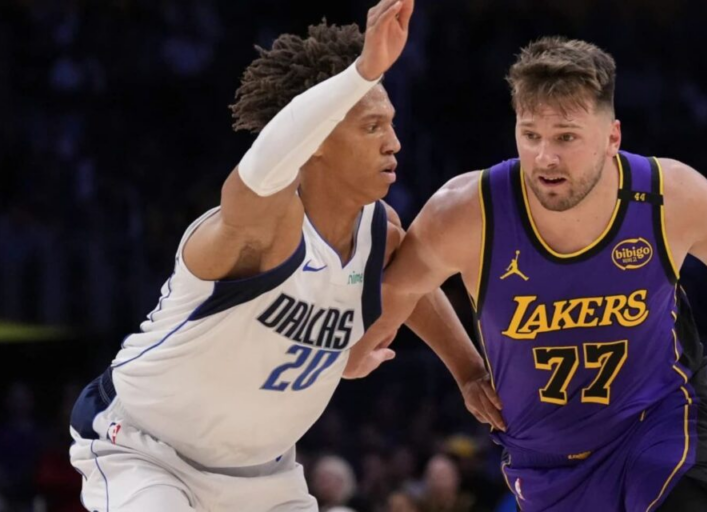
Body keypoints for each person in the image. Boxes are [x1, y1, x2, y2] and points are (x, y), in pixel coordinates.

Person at [354, 36, 707, 511]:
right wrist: (463, 368)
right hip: (544, 457)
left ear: (612, 137)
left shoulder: (665, 195)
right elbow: (401, 287)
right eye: (530, 135)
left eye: (566, 137)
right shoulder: (465, 212)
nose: (545, 157)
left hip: (661, 423)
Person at [67, 1, 476, 510]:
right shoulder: (261, 226)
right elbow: (261, 168)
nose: (394, 142)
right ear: (317, 139)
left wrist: (470, 373)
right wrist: (361, 72)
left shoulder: (381, 233)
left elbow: (413, 281)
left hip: (265, 476)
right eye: (372, 126)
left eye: (391, 124)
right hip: (146, 452)